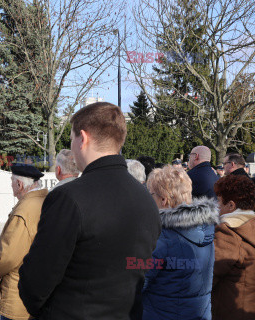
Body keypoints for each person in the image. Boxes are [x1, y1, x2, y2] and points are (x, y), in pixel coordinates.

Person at [18, 102, 161, 319]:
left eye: (72, 139)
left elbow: (36, 280)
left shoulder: (69, 197)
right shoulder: (146, 199)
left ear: (82, 139)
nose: (72, 149)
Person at [143, 165, 219, 320]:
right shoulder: (206, 228)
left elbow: (136, 282)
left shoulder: (162, 237)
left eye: (150, 194)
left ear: (163, 200)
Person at [0, 164, 48, 320]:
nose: (11, 185)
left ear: (19, 185)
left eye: (12, 182)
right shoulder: (45, 201)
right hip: (39, 288)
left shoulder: (24, 211)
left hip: (18, 294)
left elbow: (7, 257)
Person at [212, 175, 255, 320]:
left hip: (229, 310)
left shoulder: (229, 233)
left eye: (218, 200)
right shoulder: (250, 227)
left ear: (231, 205)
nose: (216, 205)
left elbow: (210, 275)